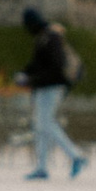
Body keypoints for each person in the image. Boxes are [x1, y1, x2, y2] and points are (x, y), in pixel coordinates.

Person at [15, 9, 87, 181]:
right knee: (40, 126)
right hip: (44, 87)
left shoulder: (51, 38)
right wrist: (26, 74)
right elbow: (37, 63)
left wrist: (31, 79)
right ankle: (41, 167)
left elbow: (56, 67)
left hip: (52, 87)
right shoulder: (43, 38)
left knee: (46, 123)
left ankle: (76, 156)